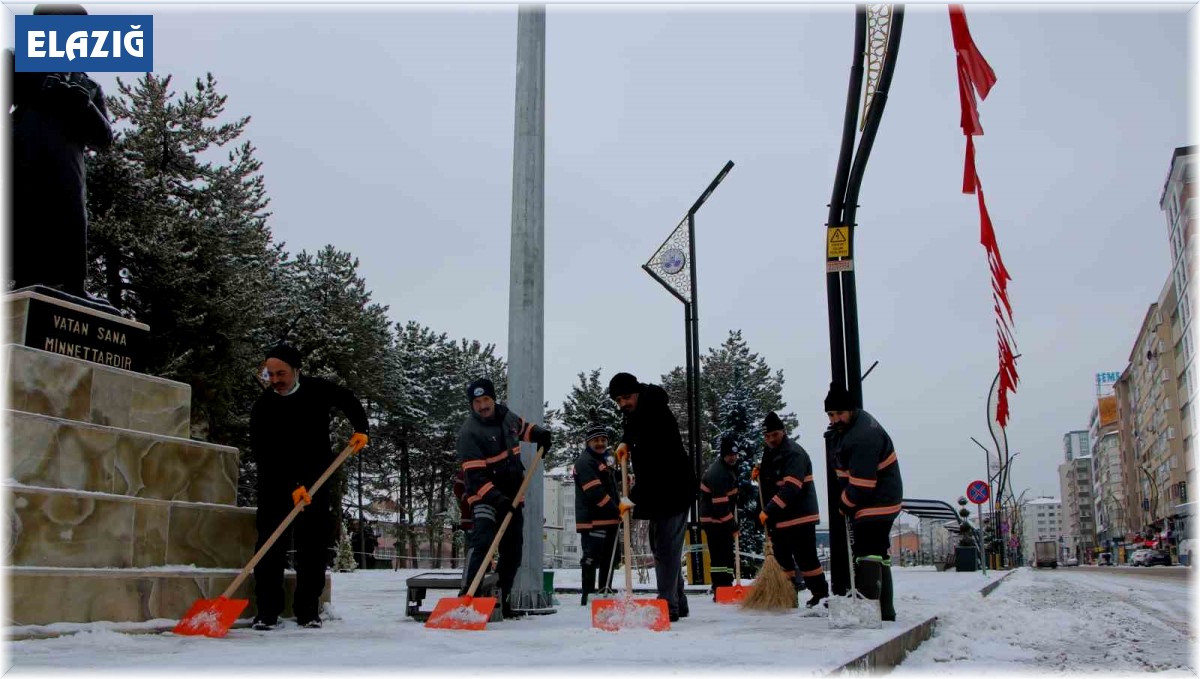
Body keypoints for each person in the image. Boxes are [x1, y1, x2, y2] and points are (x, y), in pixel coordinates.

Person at [249, 344, 369, 630]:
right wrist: (291, 485)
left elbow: (348, 399)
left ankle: (307, 611)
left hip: (316, 480)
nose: (275, 379)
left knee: (312, 546)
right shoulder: (265, 406)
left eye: (281, 373)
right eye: (270, 374)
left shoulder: (317, 390)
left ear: (296, 370)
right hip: (276, 484)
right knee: (269, 546)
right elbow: (263, 453)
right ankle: (267, 611)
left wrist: (361, 427)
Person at [8, 4, 113, 298]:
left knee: (72, 219)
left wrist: (85, 105)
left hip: (69, 162)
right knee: (27, 213)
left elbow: (105, 139)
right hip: (24, 153)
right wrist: (43, 87)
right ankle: (27, 278)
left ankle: (75, 285)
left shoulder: (88, 84)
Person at [456, 377, 552, 619]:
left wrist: (539, 434)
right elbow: (475, 477)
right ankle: (469, 596)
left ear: (493, 399)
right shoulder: (469, 433)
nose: (482, 405)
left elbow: (523, 429)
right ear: (471, 405)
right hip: (484, 497)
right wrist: (499, 500)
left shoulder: (507, 416)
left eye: (486, 399)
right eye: (477, 402)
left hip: (512, 495)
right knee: (484, 543)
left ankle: (500, 598)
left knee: (512, 551)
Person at [608, 372, 697, 623]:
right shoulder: (641, 410)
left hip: (674, 488)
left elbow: (654, 465)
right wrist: (625, 441)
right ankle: (678, 600)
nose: (623, 403)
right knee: (661, 547)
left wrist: (631, 497)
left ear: (636, 392)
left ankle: (668, 606)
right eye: (618, 400)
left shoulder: (654, 414)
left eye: (626, 397)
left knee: (666, 549)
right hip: (661, 491)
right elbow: (634, 430)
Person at [824, 381, 903, 621]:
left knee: (868, 551)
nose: (835, 419)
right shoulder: (851, 428)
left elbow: (862, 484)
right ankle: (885, 611)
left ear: (851, 410)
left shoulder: (862, 437)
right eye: (830, 414)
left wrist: (844, 504)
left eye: (839, 413)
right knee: (879, 553)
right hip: (878, 499)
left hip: (877, 500)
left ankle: (868, 609)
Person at [756, 411, 829, 608]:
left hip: (799, 517)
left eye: (775, 435)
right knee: (782, 560)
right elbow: (772, 481)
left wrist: (768, 510)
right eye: (768, 436)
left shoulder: (793, 453)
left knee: (806, 559)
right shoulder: (770, 452)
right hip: (782, 519)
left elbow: (791, 488)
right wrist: (761, 475)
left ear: (783, 432)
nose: (771, 439)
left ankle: (821, 595)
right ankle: (787, 595)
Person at [573, 423, 621, 605]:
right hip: (593, 520)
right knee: (592, 558)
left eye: (603, 440)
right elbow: (595, 493)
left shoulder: (604, 459)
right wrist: (617, 509)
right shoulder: (585, 462)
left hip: (609, 519)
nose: (600, 443)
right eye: (596, 440)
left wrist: (624, 476)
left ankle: (604, 591)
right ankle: (588, 595)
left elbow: (609, 477)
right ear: (588, 442)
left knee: (609, 558)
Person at [700, 435, 740, 599]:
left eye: (735, 454)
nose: (733, 458)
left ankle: (726, 585)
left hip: (721, 519)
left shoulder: (728, 470)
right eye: (730, 455)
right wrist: (732, 525)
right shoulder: (718, 474)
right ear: (724, 455)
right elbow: (720, 505)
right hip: (714, 521)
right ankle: (720, 588)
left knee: (727, 554)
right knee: (719, 556)